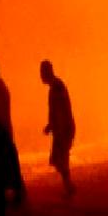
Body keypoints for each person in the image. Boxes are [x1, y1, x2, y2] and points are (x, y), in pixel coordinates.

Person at [40, 60, 76, 196]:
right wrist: (50, 126)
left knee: (60, 160)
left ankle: (69, 188)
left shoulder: (56, 87)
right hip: (61, 129)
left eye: (42, 72)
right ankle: (69, 187)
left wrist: (59, 131)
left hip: (63, 129)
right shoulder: (55, 86)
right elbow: (57, 110)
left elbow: (61, 111)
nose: (41, 76)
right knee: (58, 160)